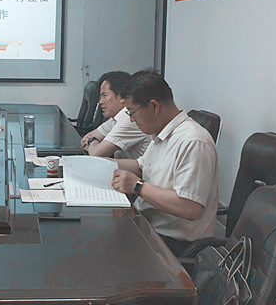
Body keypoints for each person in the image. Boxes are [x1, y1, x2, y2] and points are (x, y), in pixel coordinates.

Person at [110, 69, 218, 256]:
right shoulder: (162, 133)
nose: (132, 120)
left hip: (174, 246)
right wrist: (101, 164)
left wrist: (137, 186)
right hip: (149, 228)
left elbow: (189, 208)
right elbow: (141, 166)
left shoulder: (193, 141)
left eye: (132, 112)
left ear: (154, 106)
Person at [80, 71, 151, 159]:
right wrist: (94, 143)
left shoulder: (129, 118)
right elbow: (84, 140)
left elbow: (95, 153)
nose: (100, 101)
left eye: (104, 95)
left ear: (122, 97)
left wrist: (92, 140)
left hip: (136, 168)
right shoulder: (116, 118)